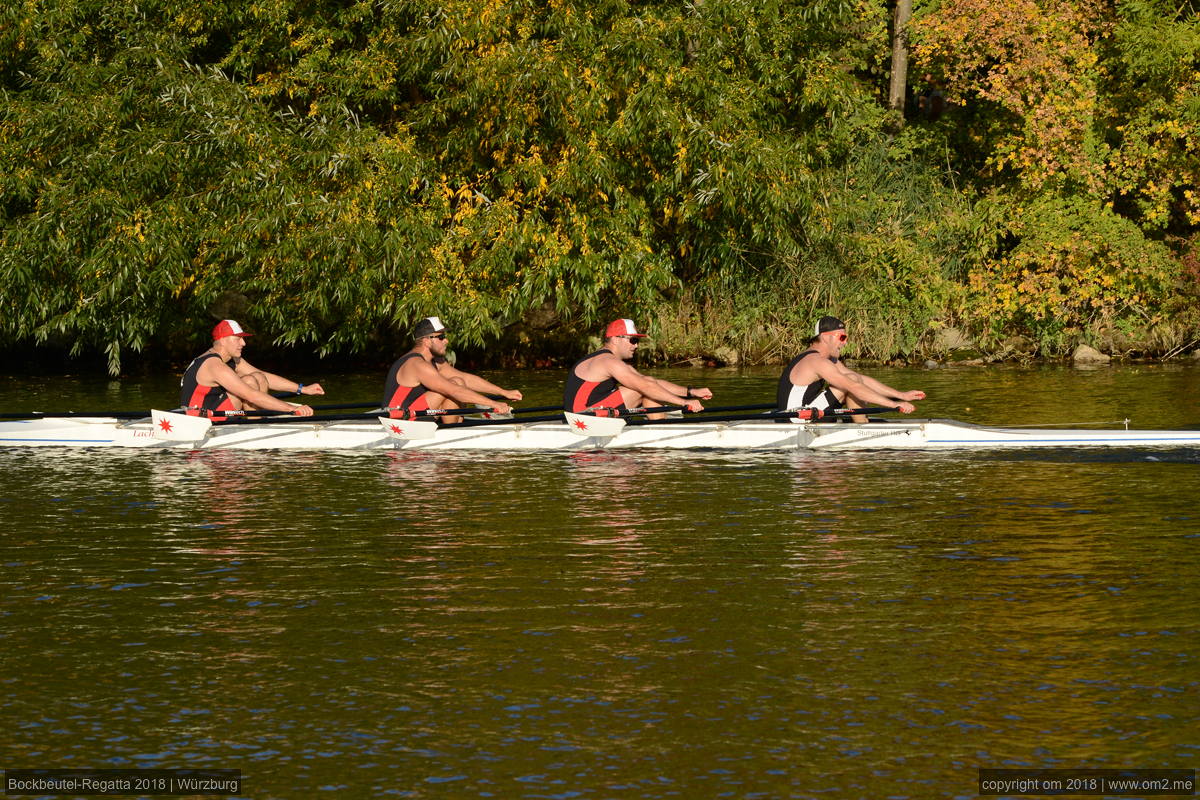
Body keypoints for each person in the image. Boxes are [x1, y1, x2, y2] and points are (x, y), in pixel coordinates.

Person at [777, 316, 924, 422]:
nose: (845, 343)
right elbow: (853, 386)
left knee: (854, 378)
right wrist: (893, 405)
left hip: (808, 410)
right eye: (842, 337)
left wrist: (901, 396)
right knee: (851, 383)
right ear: (826, 337)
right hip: (795, 418)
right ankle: (862, 428)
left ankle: (860, 423)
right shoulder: (816, 361)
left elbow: (861, 379)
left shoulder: (827, 360)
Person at [564, 318, 712, 418]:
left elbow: (650, 382)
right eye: (633, 340)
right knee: (643, 389)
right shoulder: (608, 361)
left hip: (588, 413)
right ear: (616, 339)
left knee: (646, 385)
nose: (636, 345)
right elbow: (646, 387)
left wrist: (690, 392)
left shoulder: (607, 359)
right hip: (582, 418)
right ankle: (660, 431)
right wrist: (683, 403)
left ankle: (659, 427)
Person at [382, 317, 520, 421]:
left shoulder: (435, 361)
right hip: (400, 420)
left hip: (418, 414)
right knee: (452, 386)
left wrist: (503, 392)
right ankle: (452, 430)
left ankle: (455, 425)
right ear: (426, 341)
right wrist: (493, 404)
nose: (446, 341)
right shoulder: (417, 364)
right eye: (441, 337)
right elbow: (454, 391)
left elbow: (467, 379)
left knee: (458, 380)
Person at [180, 320, 324, 417]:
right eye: (238, 338)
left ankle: (256, 421)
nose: (243, 343)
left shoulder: (231, 359)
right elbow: (251, 395)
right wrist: (292, 409)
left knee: (258, 377)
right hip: (199, 419)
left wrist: (303, 389)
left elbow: (264, 376)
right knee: (249, 382)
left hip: (217, 410)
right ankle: (256, 425)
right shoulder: (214, 365)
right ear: (223, 340)